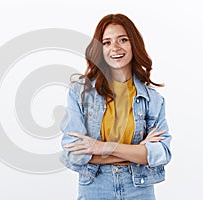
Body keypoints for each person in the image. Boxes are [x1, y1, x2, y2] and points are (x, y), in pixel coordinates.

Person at [59, 13, 172, 200]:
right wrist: (136, 151)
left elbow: (161, 154)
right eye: (107, 42)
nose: (115, 48)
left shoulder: (153, 99)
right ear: (99, 49)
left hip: (138, 189)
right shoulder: (80, 93)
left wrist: (100, 147)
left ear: (133, 44)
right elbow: (74, 155)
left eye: (123, 40)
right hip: (96, 188)